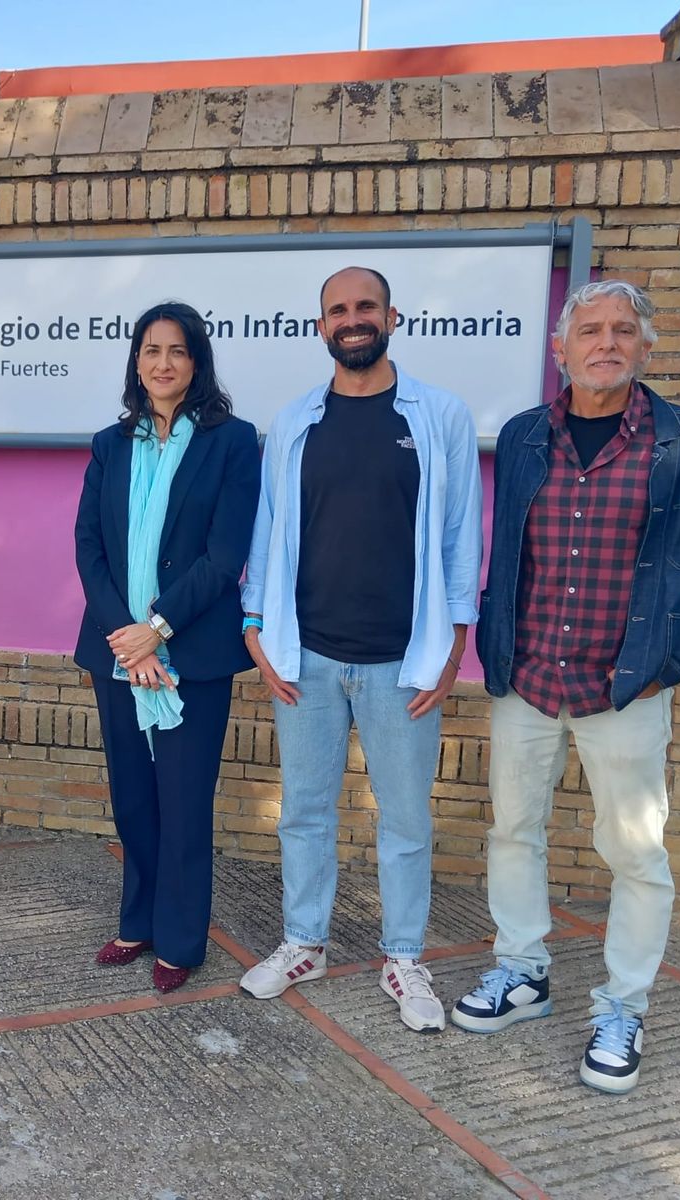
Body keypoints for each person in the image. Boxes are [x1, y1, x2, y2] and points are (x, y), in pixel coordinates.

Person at [452, 280, 680, 1093]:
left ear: (646, 348)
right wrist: (494, 644)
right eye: (590, 330)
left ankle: (624, 1005)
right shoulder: (521, 438)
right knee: (515, 831)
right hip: (528, 677)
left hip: (626, 687)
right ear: (561, 349)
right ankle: (522, 971)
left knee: (637, 853)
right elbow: (505, 550)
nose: (606, 343)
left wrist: (670, 664)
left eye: (624, 331)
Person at [239, 267, 483, 1032]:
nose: (353, 320)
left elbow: (457, 539)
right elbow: (268, 530)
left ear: (392, 318)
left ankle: (403, 957)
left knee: (405, 817)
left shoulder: (440, 416)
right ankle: (303, 941)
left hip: (401, 663)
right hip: (305, 657)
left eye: (365, 307)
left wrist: (454, 648)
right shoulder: (293, 424)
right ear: (320, 328)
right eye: (338, 310)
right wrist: (254, 625)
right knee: (303, 813)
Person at [74, 301, 261, 995]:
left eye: (176, 351)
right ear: (136, 360)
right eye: (150, 350)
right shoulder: (109, 443)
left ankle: (181, 938)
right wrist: (128, 637)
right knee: (132, 798)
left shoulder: (233, 441)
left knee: (183, 801)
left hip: (192, 655)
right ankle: (138, 921)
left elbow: (225, 554)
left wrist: (158, 629)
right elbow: (89, 545)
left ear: (197, 361)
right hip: (119, 653)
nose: (162, 363)